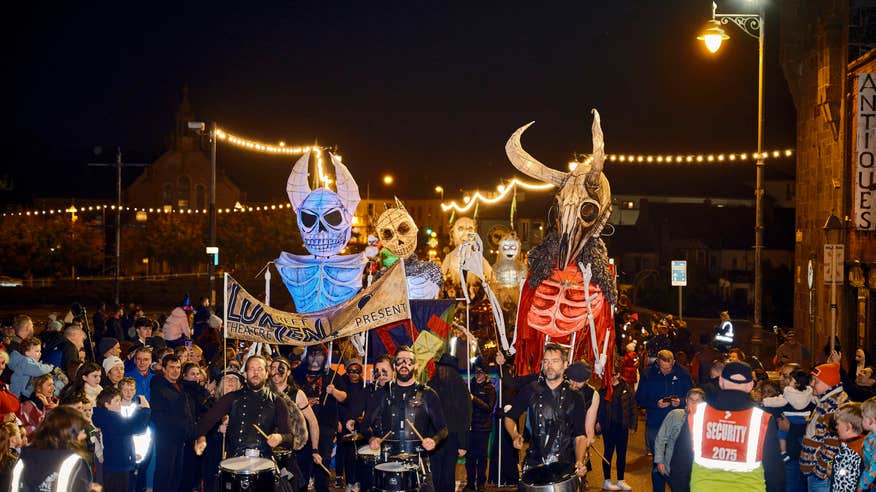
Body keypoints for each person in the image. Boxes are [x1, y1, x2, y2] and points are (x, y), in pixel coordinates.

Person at [670, 361, 784, 492]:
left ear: (721, 382)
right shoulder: (762, 419)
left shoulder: (698, 414)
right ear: (750, 386)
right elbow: (774, 472)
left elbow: (679, 464)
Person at [194, 355, 300, 487]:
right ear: (245, 374)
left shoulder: (277, 401)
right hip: (234, 464)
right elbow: (205, 421)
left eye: (260, 369)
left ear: (267, 374)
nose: (256, 373)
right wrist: (201, 437)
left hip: (264, 465)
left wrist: (280, 437)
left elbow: (290, 438)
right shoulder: (231, 398)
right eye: (252, 369)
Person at [363, 346, 448, 492]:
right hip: (387, 462)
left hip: (419, 463)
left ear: (416, 365)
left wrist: (434, 440)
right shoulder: (382, 393)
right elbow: (364, 425)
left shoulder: (428, 394)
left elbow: (443, 429)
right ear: (395, 366)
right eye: (400, 361)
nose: (404, 364)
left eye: (409, 361)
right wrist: (371, 439)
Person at [504, 343, 589, 479]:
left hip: (565, 466)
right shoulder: (530, 390)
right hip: (534, 464)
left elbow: (580, 435)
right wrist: (514, 435)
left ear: (565, 364)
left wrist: (579, 460)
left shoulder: (575, 396)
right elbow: (510, 417)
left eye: (555, 361)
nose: (549, 366)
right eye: (546, 361)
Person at [293, 345, 347, 492]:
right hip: (301, 425)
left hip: (325, 425)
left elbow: (344, 397)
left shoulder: (332, 375)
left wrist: (334, 391)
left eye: (319, 355)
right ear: (306, 356)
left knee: (322, 463)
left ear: (325, 356)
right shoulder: (297, 373)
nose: (315, 358)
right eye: (312, 354)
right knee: (302, 464)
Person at [10, 406, 98, 491]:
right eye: (80, 431)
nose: (84, 436)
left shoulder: (24, 455)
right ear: (68, 432)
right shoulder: (74, 462)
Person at [150, 354, 196, 492]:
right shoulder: (159, 387)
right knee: (165, 474)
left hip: (181, 438)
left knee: (176, 474)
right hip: (167, 439)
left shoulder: (180, 386)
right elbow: (158, 416)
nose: (175, 371)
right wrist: (177, 431)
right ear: (163, 369)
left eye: (178, 367)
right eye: (171, 367)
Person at [92, 386, 151, 492]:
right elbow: (136, 428)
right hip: (117, 467)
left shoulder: (108, 417)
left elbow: (128, 428)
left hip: (118, 464)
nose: (120, 403)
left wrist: (132, 455)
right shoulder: (112, 419)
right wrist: (145, 410)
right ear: (107, 405)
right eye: (117, 401)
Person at [800, 362, 849, 491]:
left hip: (821, 478)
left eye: (816, 381)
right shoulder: (826, 401)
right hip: (816, 473)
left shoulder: (832, 406)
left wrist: (819, 470)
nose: (811, 384)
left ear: (828, 383)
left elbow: (833, 443)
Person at [635, 349, 694, 455]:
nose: (666, 371)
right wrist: (655, 404)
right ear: (657, 362)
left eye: (669, 368)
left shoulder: (683, 373)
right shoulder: (648, 374)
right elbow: (640, 399)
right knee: (658, 458)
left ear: (674, 362)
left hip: (676, 423)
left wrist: (680, 401)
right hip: (655, 423)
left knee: (674, 458)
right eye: (663, 368)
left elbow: (692, 396)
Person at [428, 353, 471, 492]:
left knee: (448, 475)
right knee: (435, 475)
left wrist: (463, 443)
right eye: (440, 368)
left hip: (452, 438)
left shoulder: (460, 388)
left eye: (445, 368)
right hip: (434, 438)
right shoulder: (431, 386)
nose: (441, 371)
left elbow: (465, 417)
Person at [597, 363, 639, 491]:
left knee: (622, 454)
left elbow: (633, 407)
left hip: (622, 426)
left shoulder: (627, 388)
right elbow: (598, 408)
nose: (611, 377)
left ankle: (621, 480)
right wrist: (597, 423)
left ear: (619, 375)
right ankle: (607, 480)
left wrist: (633, 425)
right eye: (609, 374)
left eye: (613, 374)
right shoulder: (603, 389)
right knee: (608, 453)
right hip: (608, 427)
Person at [653, 388, 705, 491]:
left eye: (698, 400)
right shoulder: (676, 415)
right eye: (691, 399)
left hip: (697, 470)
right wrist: (659, 460)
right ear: (686, 400)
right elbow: (661, 438)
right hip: (677, 468)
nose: (694, 403)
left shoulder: (707, 420)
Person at [465, 358, 495, 492]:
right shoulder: (469, 386)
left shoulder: (490, 389)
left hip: (483, 428)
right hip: (470, 428)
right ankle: (470, 483)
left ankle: (481, 483)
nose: (478, 375)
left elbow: (489, 407)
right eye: (476, 372)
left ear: (486, 374)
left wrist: (474, 399)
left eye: (481, 372)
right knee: (470, 458)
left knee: (482, 458)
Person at [337, 356, 367, 491]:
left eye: (357, 371)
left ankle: (357, 481)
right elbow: (336, 404)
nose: (354, 374)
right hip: (343, 423)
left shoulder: (365, 384)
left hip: (359, 424)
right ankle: (347, 480)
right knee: (346, 454)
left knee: (359, 453)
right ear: (347, 371)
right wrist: (337, 421)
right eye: (351, 371)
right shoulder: (340, 382)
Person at [828, 402, 865, 492]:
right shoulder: (865, 443)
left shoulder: (849, 455)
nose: (836, 427)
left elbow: (842, 486)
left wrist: (832, 473)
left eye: (838, 424)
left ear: (848, 427)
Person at [858, 396, 876, 492]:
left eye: (863, 418)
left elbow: (874, 467)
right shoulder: (871, 435)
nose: (861, 421)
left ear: (871, 420)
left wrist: (862, 485)